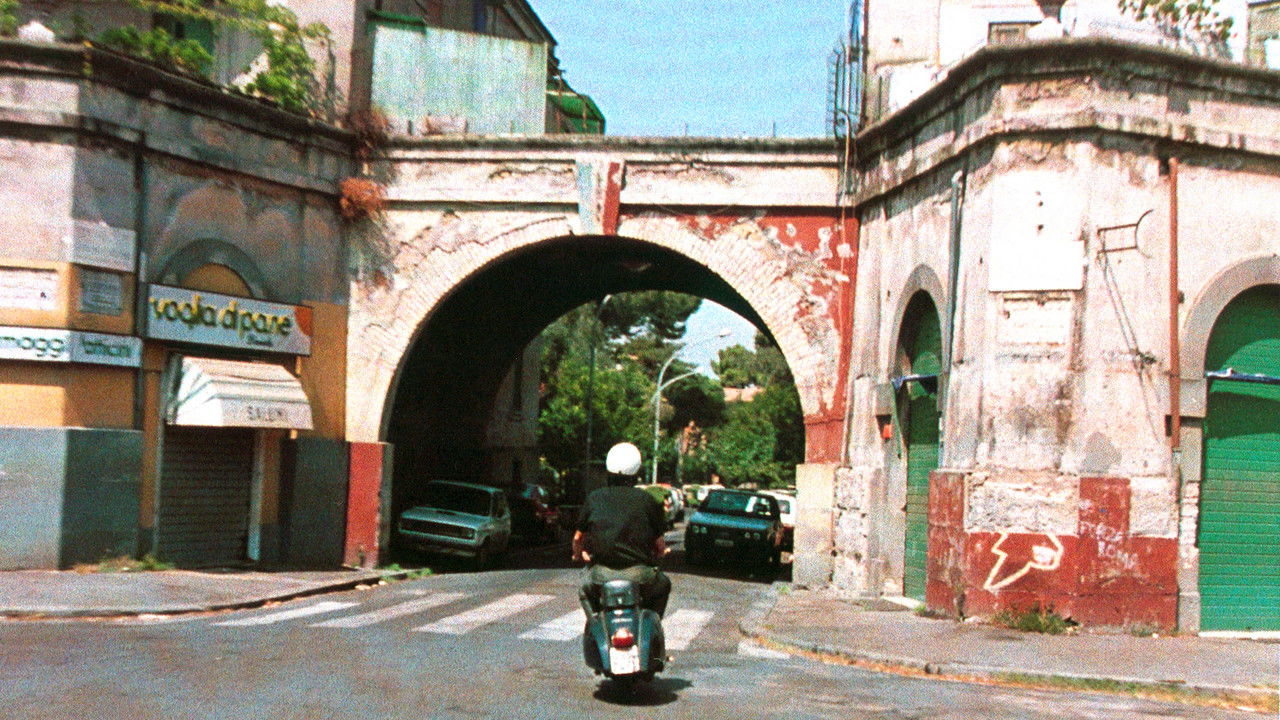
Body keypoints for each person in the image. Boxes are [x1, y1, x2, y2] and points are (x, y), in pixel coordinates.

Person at [573, 442, 672, 618]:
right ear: (636, 472)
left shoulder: (594, 498)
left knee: (585, 590)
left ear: (608, 470)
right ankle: (653, 622)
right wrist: (661, 553)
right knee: (664, 585)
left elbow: (578, 538)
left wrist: (579, 554)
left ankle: (596, 623)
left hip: (601, 575)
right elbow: (660, 545)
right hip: (640, 575)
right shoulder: (648, 500)